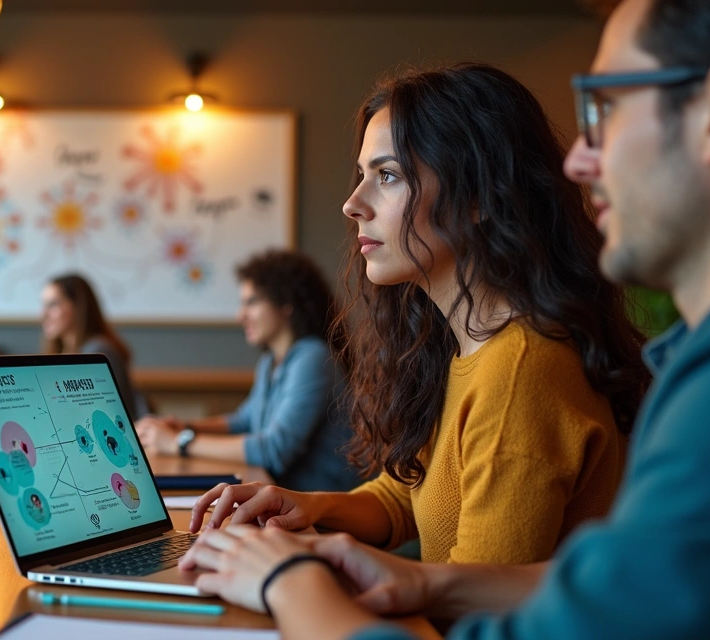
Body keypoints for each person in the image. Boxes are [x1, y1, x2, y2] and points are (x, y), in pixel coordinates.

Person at [180, 1, 710, 638]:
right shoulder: (475, 348)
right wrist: (321, 516)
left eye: (608, 108)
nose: (580, 160)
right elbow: (596, 569)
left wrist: (286, 579)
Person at [187, 64, 649, 566]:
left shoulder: (520, 369)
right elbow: (407, 496)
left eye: (387, 175)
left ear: (477, 196)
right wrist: (305, 505)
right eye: (363, 175)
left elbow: (473, 604)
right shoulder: (466, 342)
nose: (351, 204)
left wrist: (295, 569)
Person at [136, 250, 362, 492]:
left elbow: (275, 450)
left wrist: (179, 442)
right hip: (288, 499)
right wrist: (184, 426)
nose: (240, 315)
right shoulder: (270, 362)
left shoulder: (312, 357)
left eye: (252, 302)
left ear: (286, 304)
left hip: (323, 515)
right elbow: (244, 421)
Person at [40, 273, 146, 417]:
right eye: (44, 305)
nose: (43, 314)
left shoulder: (98, 351)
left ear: (77, 306)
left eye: (53, 305)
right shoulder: (64, 352)